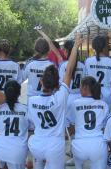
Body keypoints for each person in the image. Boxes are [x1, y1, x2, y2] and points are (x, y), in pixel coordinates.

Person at [27, 35, 83, 169]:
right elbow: (69, 71)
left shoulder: (32, 100)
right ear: (58, 84)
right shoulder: (61, 97)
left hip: (36, 145)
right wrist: (75, 47)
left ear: (41, 82)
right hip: (54, 147)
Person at [0, 39, 24, 168]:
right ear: (9, 50)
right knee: (12, 132)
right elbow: (18, 84)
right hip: (12, 101)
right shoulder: (15, 65)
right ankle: (10, 160)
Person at [68, 76, 109, 169]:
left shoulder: (74, 103)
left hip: (79, 145)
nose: (79, 88)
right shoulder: (104, 104)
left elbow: (70, 127)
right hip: (98, 145)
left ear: (85, 87)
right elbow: (105, 129)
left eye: (80, 86)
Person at [0, 80, 29, 169]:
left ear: (5, 93)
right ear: (19, 94)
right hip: (18, 152)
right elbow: (31, 134)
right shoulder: (26, 109)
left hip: (0, 150)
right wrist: (30, 158)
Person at [85, 35, 111, 109]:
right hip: (107, 96)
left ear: (93, 47)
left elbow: (86, 80)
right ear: (105, 46)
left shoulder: (88, 61)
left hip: (92, 94)